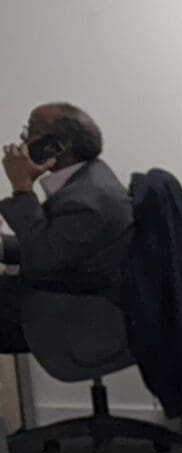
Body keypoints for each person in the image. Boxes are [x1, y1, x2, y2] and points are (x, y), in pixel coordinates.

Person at [2, 103, 133, 355]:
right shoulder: (88, 180)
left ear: (56, 146)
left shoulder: (89, 200)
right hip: (68, 295)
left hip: (76, 317)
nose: (23, 141)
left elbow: (42, 258)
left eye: (30, 132)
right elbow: (55, 244)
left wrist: (22, 187)